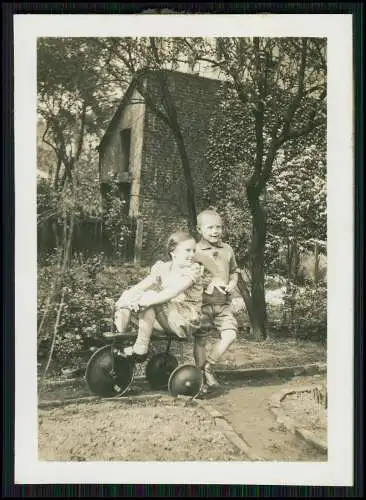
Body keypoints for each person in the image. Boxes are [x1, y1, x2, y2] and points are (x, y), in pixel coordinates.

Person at [113, 231, 204, 362]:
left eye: (193, 250)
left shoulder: (193, 271)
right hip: (167, 316)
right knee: (133, 295)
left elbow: (172, 291)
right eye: (187, 250)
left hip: (185, 320)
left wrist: (145, 300)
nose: (192, 255)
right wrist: (126, 298)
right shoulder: (162, 267)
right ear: (173, 253)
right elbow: (143, 285)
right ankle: (128, 336)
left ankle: (140, 347)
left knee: (149, 298)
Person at [193, 207, 239, 391]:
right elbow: (191, 276)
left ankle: (208, 366)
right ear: (199, 230)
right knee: (201, 341)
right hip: (202, 304)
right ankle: (199, 377)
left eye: (218, 227)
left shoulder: (227, 250)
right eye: (210, 227)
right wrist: (210, 281)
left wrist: (233, 282)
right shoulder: (195, 250)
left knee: (230, 335)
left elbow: (234, 271)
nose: (215, 231)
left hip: (223, 305)